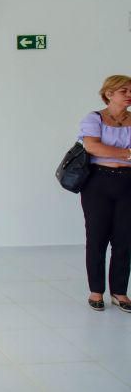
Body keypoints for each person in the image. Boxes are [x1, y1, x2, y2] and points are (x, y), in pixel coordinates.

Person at [79, 74, 131, 313]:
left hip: (128, 183)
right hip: (97, 181)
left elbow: (101, 147)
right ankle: (96, 291)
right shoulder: (94, 118)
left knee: (124, 240)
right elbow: (92, 146)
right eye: (124, 91)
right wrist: (126, 154)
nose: (129, 95)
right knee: (97, 238)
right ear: (109, 94)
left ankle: (119, 292)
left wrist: (112, 152)